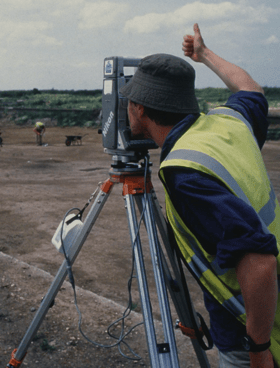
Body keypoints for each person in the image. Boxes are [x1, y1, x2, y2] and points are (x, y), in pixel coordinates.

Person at [120, 23, 280, 368]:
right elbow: (251, 89)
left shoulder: (184, 171)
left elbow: (260, 261)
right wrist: (204, 55)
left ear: (140, 108)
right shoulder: (228, 121)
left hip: (250, 327)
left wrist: (259, 350)